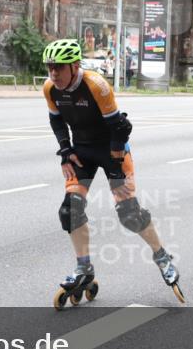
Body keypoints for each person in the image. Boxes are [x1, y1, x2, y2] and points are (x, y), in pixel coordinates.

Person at [40, 38, 184, 308]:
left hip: (111, 149)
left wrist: (116, 162)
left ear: (74, 65)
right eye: (50, 67)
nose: (53, 73)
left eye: (59, 67)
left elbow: (120, 128)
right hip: (82, 151)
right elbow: (56, 120)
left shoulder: (96, 85)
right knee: (69, 210)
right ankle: (84, 268)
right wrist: (65, 151)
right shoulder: (50, 88)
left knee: (129, 214)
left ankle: (162, 256)